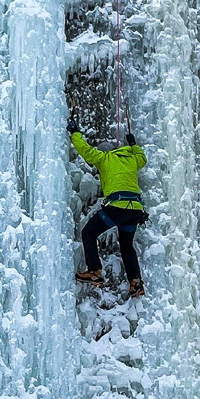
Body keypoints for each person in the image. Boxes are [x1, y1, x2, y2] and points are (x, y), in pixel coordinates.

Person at [68, 118, 147, 297]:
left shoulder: (105, 158)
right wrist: (133, 144)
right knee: (127, 246)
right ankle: (136, 283)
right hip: (135, 210)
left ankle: (95, 271)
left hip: (118, 206)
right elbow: (143, 158)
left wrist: (75, 134)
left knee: (88, 233)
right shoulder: (132, 160)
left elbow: (87, 152)